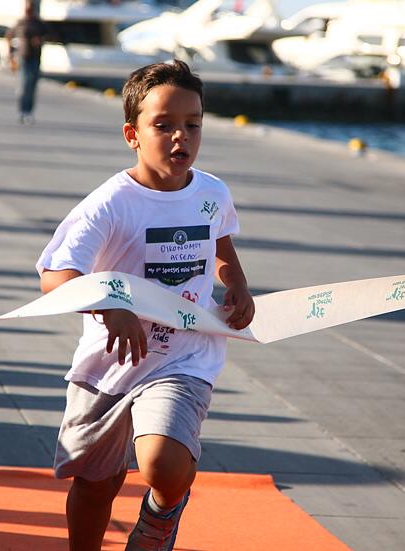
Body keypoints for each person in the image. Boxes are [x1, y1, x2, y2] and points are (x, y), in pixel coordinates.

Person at [36, 59, 255, 551]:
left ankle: (161, 516)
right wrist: (110, 306)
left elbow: (220, 243)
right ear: (132, 135)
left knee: (164, 465)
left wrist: (236, 283)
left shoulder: (211, 192)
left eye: (193, 125)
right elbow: (55, 276)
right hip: (111, 363)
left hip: (184, 358)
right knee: (96, 484)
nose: (181, 137)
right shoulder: (111, 204)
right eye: (164, 125)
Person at [5, 0, 49, 124]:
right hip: (23, 57)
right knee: (24, 85)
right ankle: (22, 111)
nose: (28, 10)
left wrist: (40, 40)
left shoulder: (38, 23)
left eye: (30, 8)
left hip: (35, 57)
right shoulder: (21, 23)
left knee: (32, 86)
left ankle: (29, 112)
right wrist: (11, 54)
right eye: (26, 8)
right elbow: (8, 36)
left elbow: (49, 35)